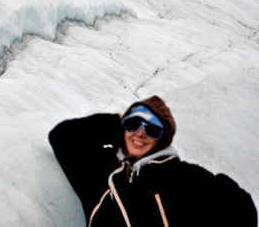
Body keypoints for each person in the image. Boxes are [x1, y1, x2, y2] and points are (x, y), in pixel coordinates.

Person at [49, 95, 257, 227]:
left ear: (163, 138)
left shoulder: (183, 176)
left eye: (151, 129)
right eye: (133, 124)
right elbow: (62, 137)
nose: (140, 134)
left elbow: (242, 208)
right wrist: (117, 124)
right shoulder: (105, 174)